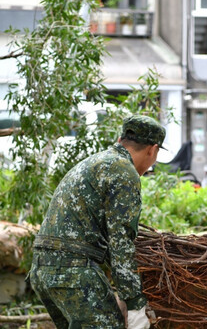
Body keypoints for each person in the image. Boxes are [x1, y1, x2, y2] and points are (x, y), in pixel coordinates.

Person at [29, 114, 166, 328]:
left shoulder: (97, 161)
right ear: (153, 150)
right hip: (73, 273)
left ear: (121, 141)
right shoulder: (124, 171)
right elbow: (120, 242)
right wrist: (135, 304)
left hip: (43, 270)